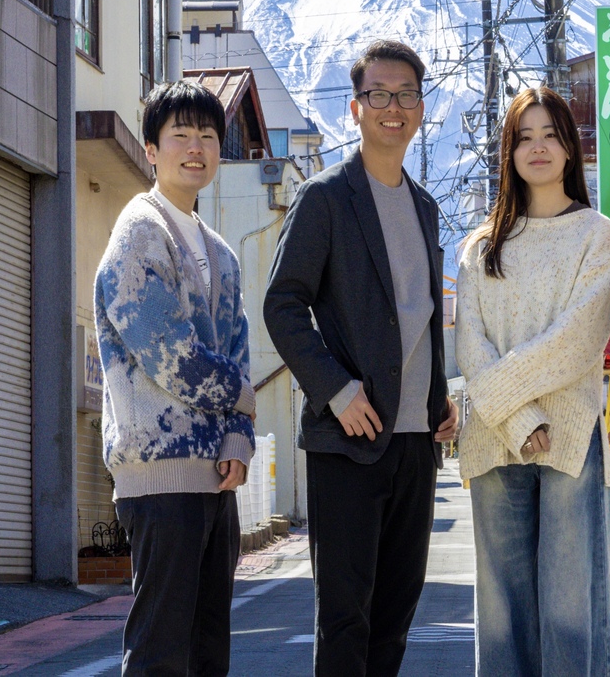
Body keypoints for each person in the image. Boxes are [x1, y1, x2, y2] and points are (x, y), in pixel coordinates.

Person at [263, 39, 459, 677]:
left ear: (421, 108)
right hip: (348, 441)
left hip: (414, 445)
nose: (392, 106)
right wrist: (337, 391)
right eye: (379, 94)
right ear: (356, 108)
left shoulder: (427, 210)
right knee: (346, 617)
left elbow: (420, 321)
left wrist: (439, 400)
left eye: (405, 94)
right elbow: (282, 305)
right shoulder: (325, 199)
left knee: (397, 616)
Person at [456, 86, 610, 676]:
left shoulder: (597, 234)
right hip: (495, 438)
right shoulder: (480, 245)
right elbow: (469, 347)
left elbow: (576, 342)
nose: (539, 147)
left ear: (571, 149)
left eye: (551, 133)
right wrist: (523, 419)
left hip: (570, 438)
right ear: (508, 153)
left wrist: (530, 415)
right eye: (524, 137)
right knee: (501, 613)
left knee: (569, 608)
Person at [94, 80, 256, 676]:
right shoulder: (139, 232)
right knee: (162, 649)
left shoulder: (222, 254)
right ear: (152, 148)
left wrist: (238, 441)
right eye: (181, 134)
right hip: (159, 475)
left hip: (215, 476)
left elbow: (239, 352)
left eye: (209, 136)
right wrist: (242, 401)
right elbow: (170, 356)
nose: (196, 147)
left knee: (208, 650)